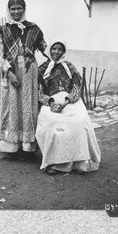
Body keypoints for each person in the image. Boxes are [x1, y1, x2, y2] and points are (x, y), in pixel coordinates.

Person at [0, 0, 47, 158]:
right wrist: (11, 74)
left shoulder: (34, 28)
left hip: (28, 72)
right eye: (13, 9)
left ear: (24, 9)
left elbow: (44, 48)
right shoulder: (0, 30)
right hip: (8, 74)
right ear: (8, 10)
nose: (16, 11)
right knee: (10, 107)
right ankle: (11, 148)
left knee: (27, 105)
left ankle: (28, 147)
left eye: (19, 8)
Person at [36, 39, 101, 175]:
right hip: (50, 103)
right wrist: (52, 103)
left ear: (64, 52)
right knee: (52, 123)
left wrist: (66, 102)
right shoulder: (42, 69)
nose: (56, 52)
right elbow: (39, 93)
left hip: (70, 102)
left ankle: (81, 162)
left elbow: (76, 89)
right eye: (54, 48)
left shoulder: (70, 67)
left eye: (60, 49)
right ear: (49, 50)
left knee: (79, 122)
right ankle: (56, 163)